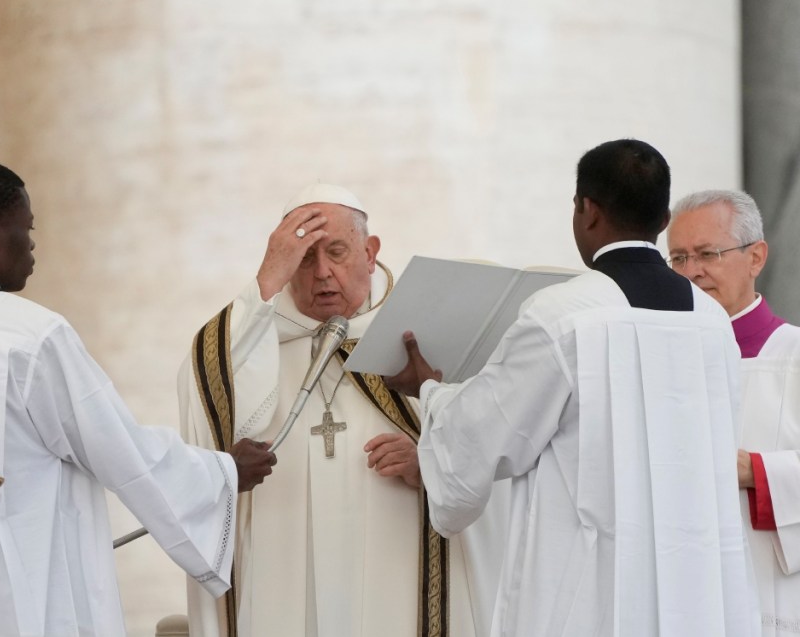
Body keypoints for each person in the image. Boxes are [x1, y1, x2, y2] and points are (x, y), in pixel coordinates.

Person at [0, 160, 276, 637]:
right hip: (22, 587)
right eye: (27, 228)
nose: (33, 243)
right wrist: (222, 472)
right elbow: (118, 448)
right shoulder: (29, 333)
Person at [386, 139, 758, 636]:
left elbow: (484, 435)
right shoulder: (711, 321)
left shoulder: (563, 315)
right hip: (694, 583)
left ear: (587, 211)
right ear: (664, 218)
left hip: (593, 592)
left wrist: (429, 389)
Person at [178, 183, 508, 637]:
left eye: (337, 252)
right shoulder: (251, 345)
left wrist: (429, 464)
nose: (322, 273)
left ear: (370, 252)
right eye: (303, 258)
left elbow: (498, 455)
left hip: (399, 565)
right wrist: (264, 283)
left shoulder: (421, 337)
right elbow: (204, 399)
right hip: (283, 562)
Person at [667, 190, 800, 636]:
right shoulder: (660, 358)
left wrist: (758, 471)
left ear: (756, 257)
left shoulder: (794, 356)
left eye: (708, 254)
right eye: (678, 258)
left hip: (772, 590)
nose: (691, 273)